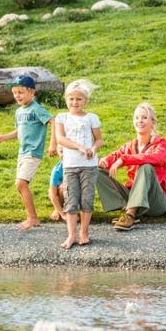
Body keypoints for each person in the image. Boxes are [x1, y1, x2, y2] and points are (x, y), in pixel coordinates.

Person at [0, 75, 57, 230]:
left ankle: (33, 218)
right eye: (14, 93)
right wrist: (4, 137)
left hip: (33, 152)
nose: (17, 96)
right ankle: (32, 217)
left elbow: (54, 121)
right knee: (20, 185)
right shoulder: (19, 112)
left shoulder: (37, 109)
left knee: (21, 183)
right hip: (22, 153)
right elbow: (19, 131)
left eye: (20, 92)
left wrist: (53, 144)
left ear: (32, 92)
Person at [97, 102, 166, 231]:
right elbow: (113, 158)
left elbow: (157, 158)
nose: (140, 121)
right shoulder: (130, 145)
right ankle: (126, 208)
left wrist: (124, 159)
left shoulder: (161, 143)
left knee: (146, 166)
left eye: (144, 117)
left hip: (156, 203)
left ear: (153, 122)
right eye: (136, 117)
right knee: (97, 170)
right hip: (133, 196)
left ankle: (130, 214)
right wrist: (102, 161)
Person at [55, 79, 102, 249]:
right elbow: (60, 139)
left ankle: (84, 233)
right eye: (71, 98)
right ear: (66, 99)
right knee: (71, 200)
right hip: (70, 166)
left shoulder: (91, 118)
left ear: (85, 101)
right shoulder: (62, 117)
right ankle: (71, 236)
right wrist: (79, 147)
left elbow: (99, 140)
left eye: (79, 99)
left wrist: (93, 149)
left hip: (89, 166)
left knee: (86, 199)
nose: (75, 102)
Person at [48, 157, 66, 222]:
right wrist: (63, 215)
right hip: (59, 193)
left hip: (73, 194)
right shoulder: (57, 170)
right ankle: (58, 209)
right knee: (61, 188)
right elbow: (53, 195)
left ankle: (70, 211)